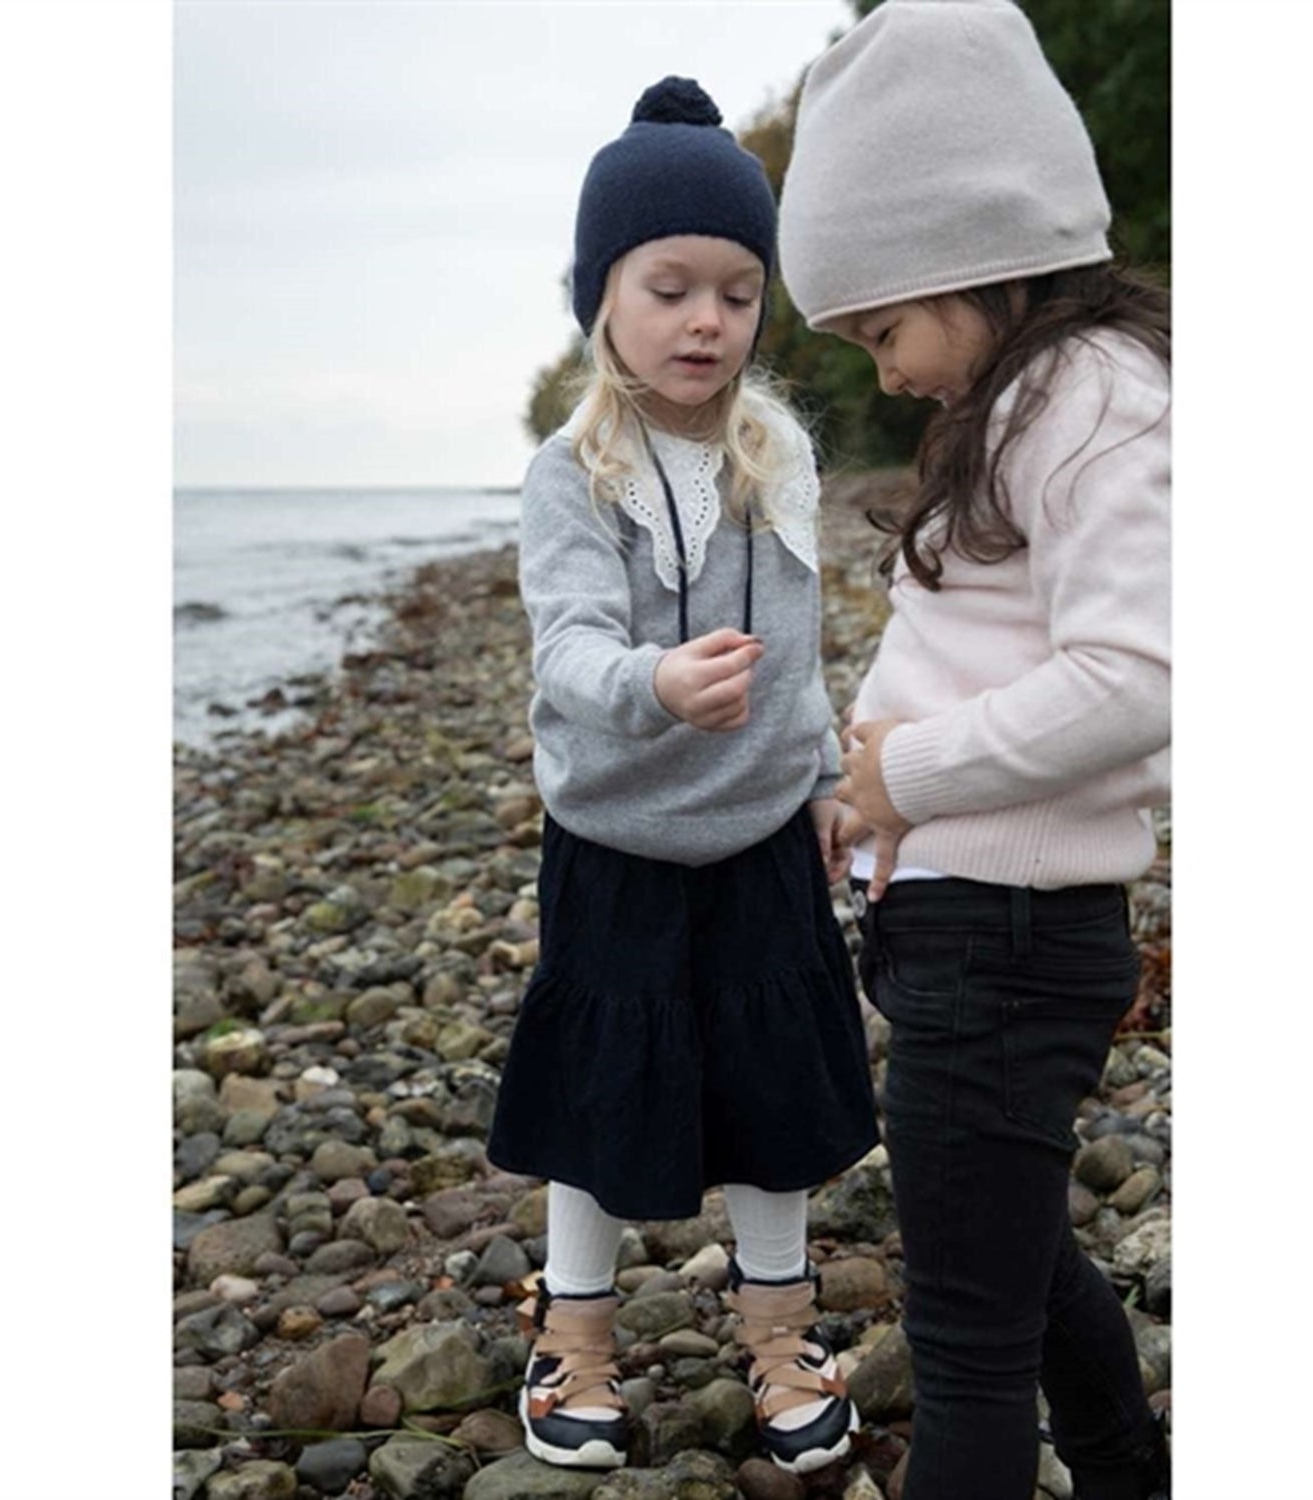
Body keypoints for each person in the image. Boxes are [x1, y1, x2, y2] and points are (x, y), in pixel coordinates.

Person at [777, 3, 1172, 1498]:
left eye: (883, 331)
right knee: (1014, 1258)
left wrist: (910, 776)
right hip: (967, 929)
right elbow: (981, 650)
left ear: (977, 250)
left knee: (962, 1335)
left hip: (1007, 944)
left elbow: (1137, 679)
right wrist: (865, 803)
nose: (882, 374)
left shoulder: (1097, 398)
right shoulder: (1035, 399)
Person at [486, 76, 879, 1476]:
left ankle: (781, 1334)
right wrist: (652, 684)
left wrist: (825, 774)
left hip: (761, 832)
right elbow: (567, 647)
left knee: (774, 1090)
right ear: (602, 298)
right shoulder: (572, 470)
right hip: (619, 838)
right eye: (668, 289)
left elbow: (807, 646)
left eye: (737, 291)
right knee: (604, 1092)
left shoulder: (780, 453)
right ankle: (574, 1339)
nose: (706, 319)